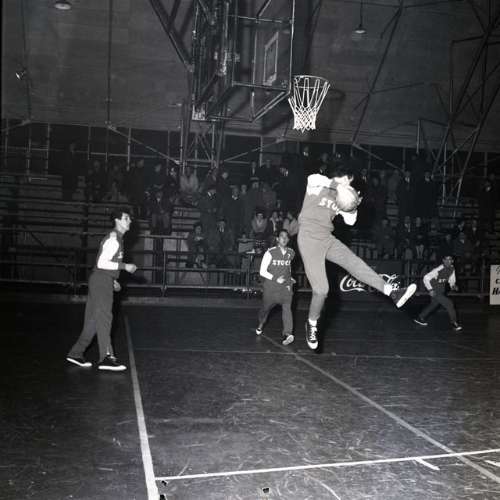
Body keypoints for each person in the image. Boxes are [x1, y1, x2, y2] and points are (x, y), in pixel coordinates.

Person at [298, 165, 417, 350]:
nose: (350, 185)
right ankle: (312, 324)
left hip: (326, 238)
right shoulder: (319, 184)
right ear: (343, 177)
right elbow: (312, 178)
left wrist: (353, 206)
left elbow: (350, 221)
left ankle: (392, 292)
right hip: (309, 238)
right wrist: (338, 187)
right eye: (349, 181)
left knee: (355, 263)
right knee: (321, 290)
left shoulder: (341, 198)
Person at [66, 208, 137, 370]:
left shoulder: (117, 238)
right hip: (100, 281)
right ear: (117, 220)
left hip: (101, 280)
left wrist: (112, 280)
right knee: (105, 318)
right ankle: (106, 357)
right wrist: (125, 266)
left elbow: (104, 264)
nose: (130, 221)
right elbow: (101, 263)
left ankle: (76, 353)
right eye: (126, 218)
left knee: (93, 321)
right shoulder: (114, 239)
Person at [255, 229, 295, 346]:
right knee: (265, 309)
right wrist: (275, 278)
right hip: (271, 288)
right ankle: (261, 324)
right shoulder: (270, 252)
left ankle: (287, 333)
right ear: (277, 239)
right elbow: (262, 271)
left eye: (286, 237)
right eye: (282, 236)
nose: (284, 239)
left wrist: (290, 277)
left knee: (287, 308)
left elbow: (288, 267)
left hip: (285, 286)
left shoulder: (291, 252)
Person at [413, 255, 462, 331]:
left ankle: (420, 317)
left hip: (441, 290)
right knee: (449, 304)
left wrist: (453, 286)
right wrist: (430, 290)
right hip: (435, 290)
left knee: (433, 305)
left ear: (452, 261)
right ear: (443, 261)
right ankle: (454, 323)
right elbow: (426, 278)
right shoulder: (439, 269)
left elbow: (451, 280)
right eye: (446, 260)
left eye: (449, 260)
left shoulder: (452, 269)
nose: (447, 261)